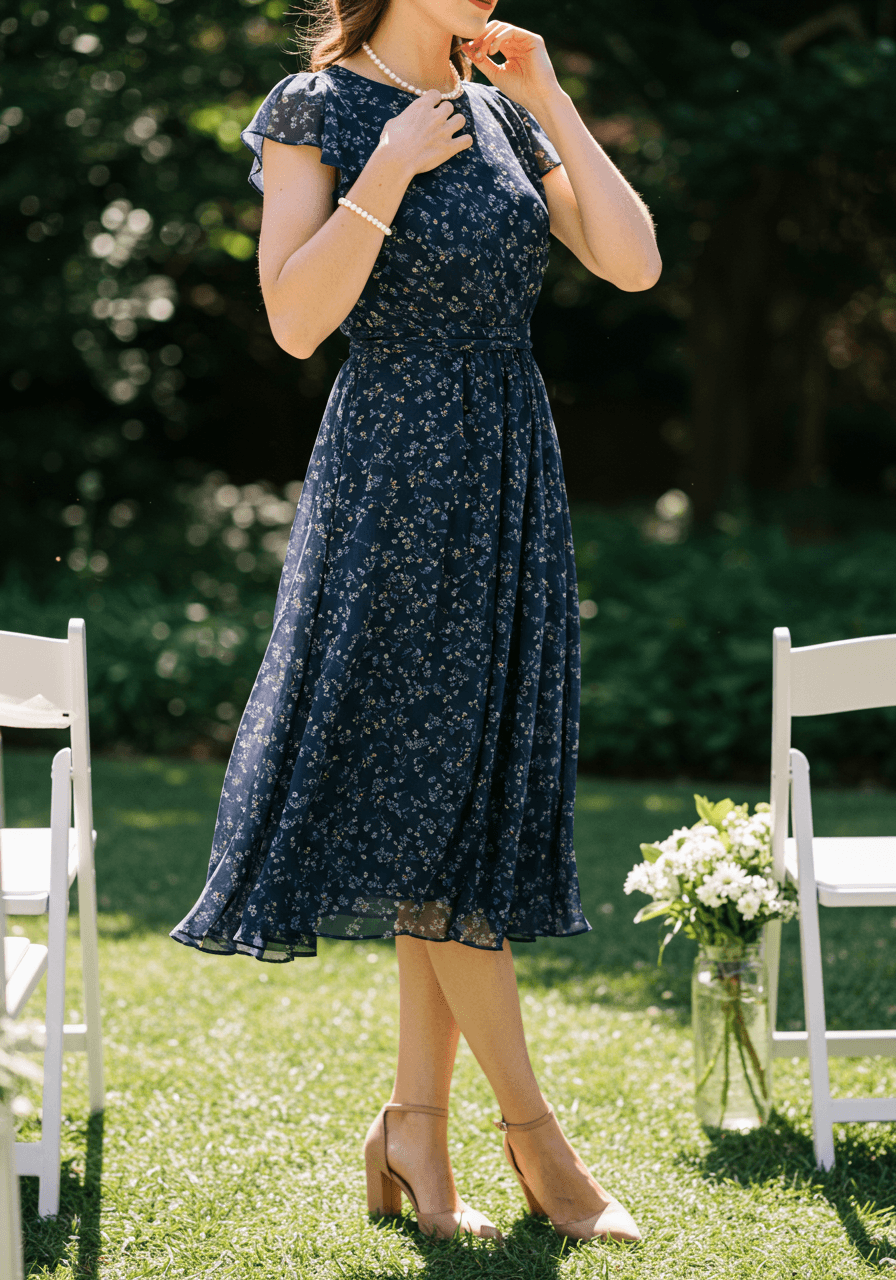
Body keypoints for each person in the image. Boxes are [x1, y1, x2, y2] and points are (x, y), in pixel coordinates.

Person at [171, 0, 660, 1246]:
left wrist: (547, 98)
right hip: (391, 473)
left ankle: (411, 1128)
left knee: (451, 803)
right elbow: (293, 318)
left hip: (506, 473)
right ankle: (535, 1139)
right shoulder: (317, 111)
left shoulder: (502, 112)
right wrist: (382, 173)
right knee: (419, 789)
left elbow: (631, 260)